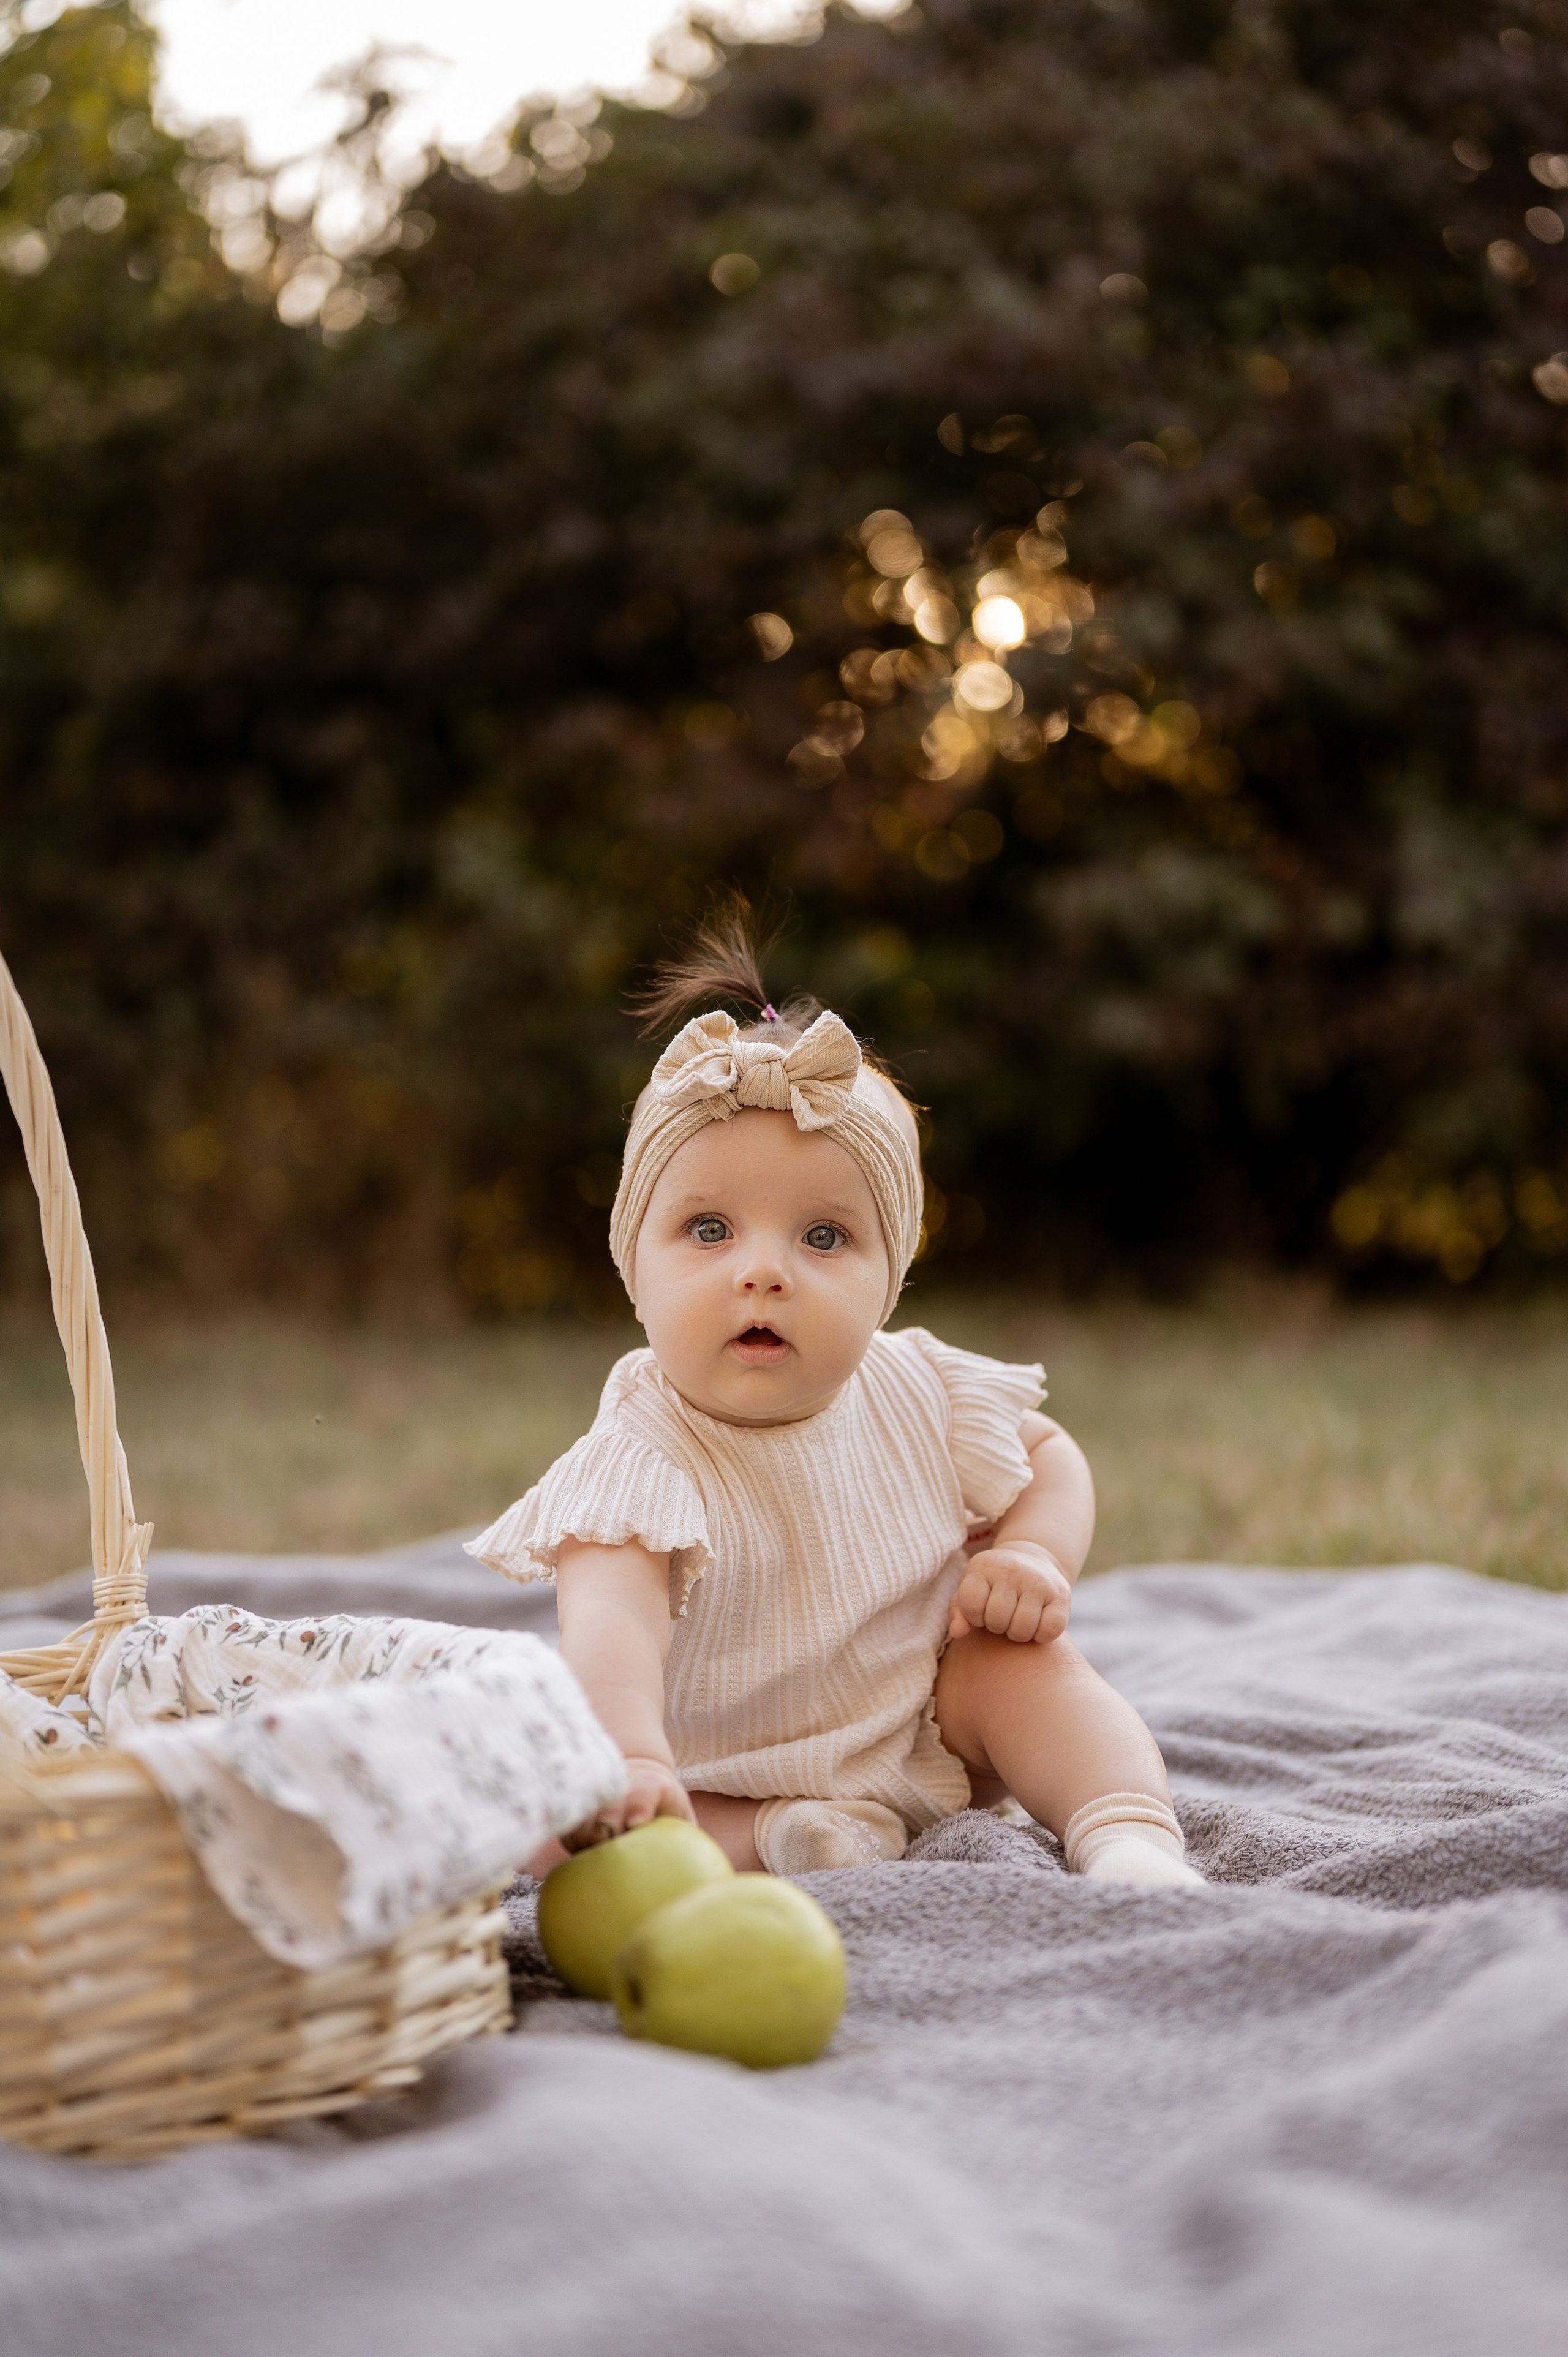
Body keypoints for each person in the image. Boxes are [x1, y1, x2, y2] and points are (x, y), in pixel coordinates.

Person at [470, 910, 1201, 1886]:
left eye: (823, 1238)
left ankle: (1129, 1838)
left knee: (1026, 1667)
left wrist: (1032, 1552)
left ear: (888, 1282)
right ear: (632, 1269)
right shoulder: (640, 1455)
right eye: (709, 1229)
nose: (763, 1271)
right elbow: (612, 1630)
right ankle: (791, 1833)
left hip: (926, 1722)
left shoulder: (919, 1387)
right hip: (717, 1764)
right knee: (552, 1834)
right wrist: (635, 1761)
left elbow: (1049, 1453)